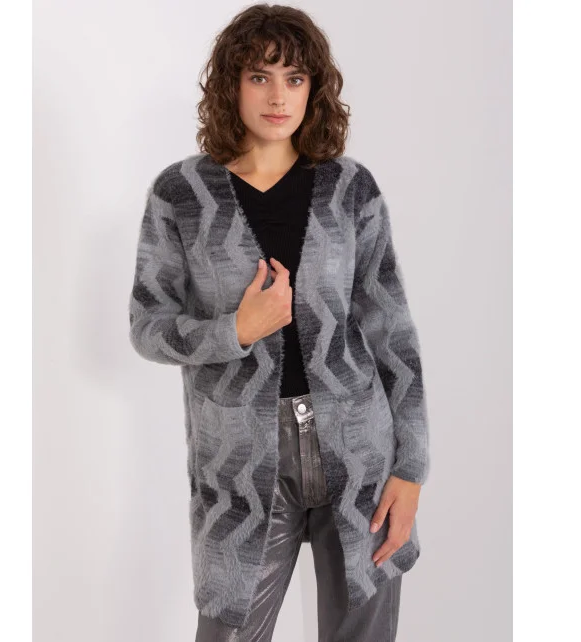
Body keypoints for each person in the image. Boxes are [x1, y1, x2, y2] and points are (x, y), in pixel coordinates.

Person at [128, 4, 430, 641]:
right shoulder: (181, 194)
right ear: (231, 85)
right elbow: (148, 325)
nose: (278, 96)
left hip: (358, 453)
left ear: (314, 88)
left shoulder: (350, 188)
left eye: (294, 78)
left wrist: (410, 469)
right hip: (238, 462)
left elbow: (393, 333)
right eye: (259, 77)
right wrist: (234, 330)